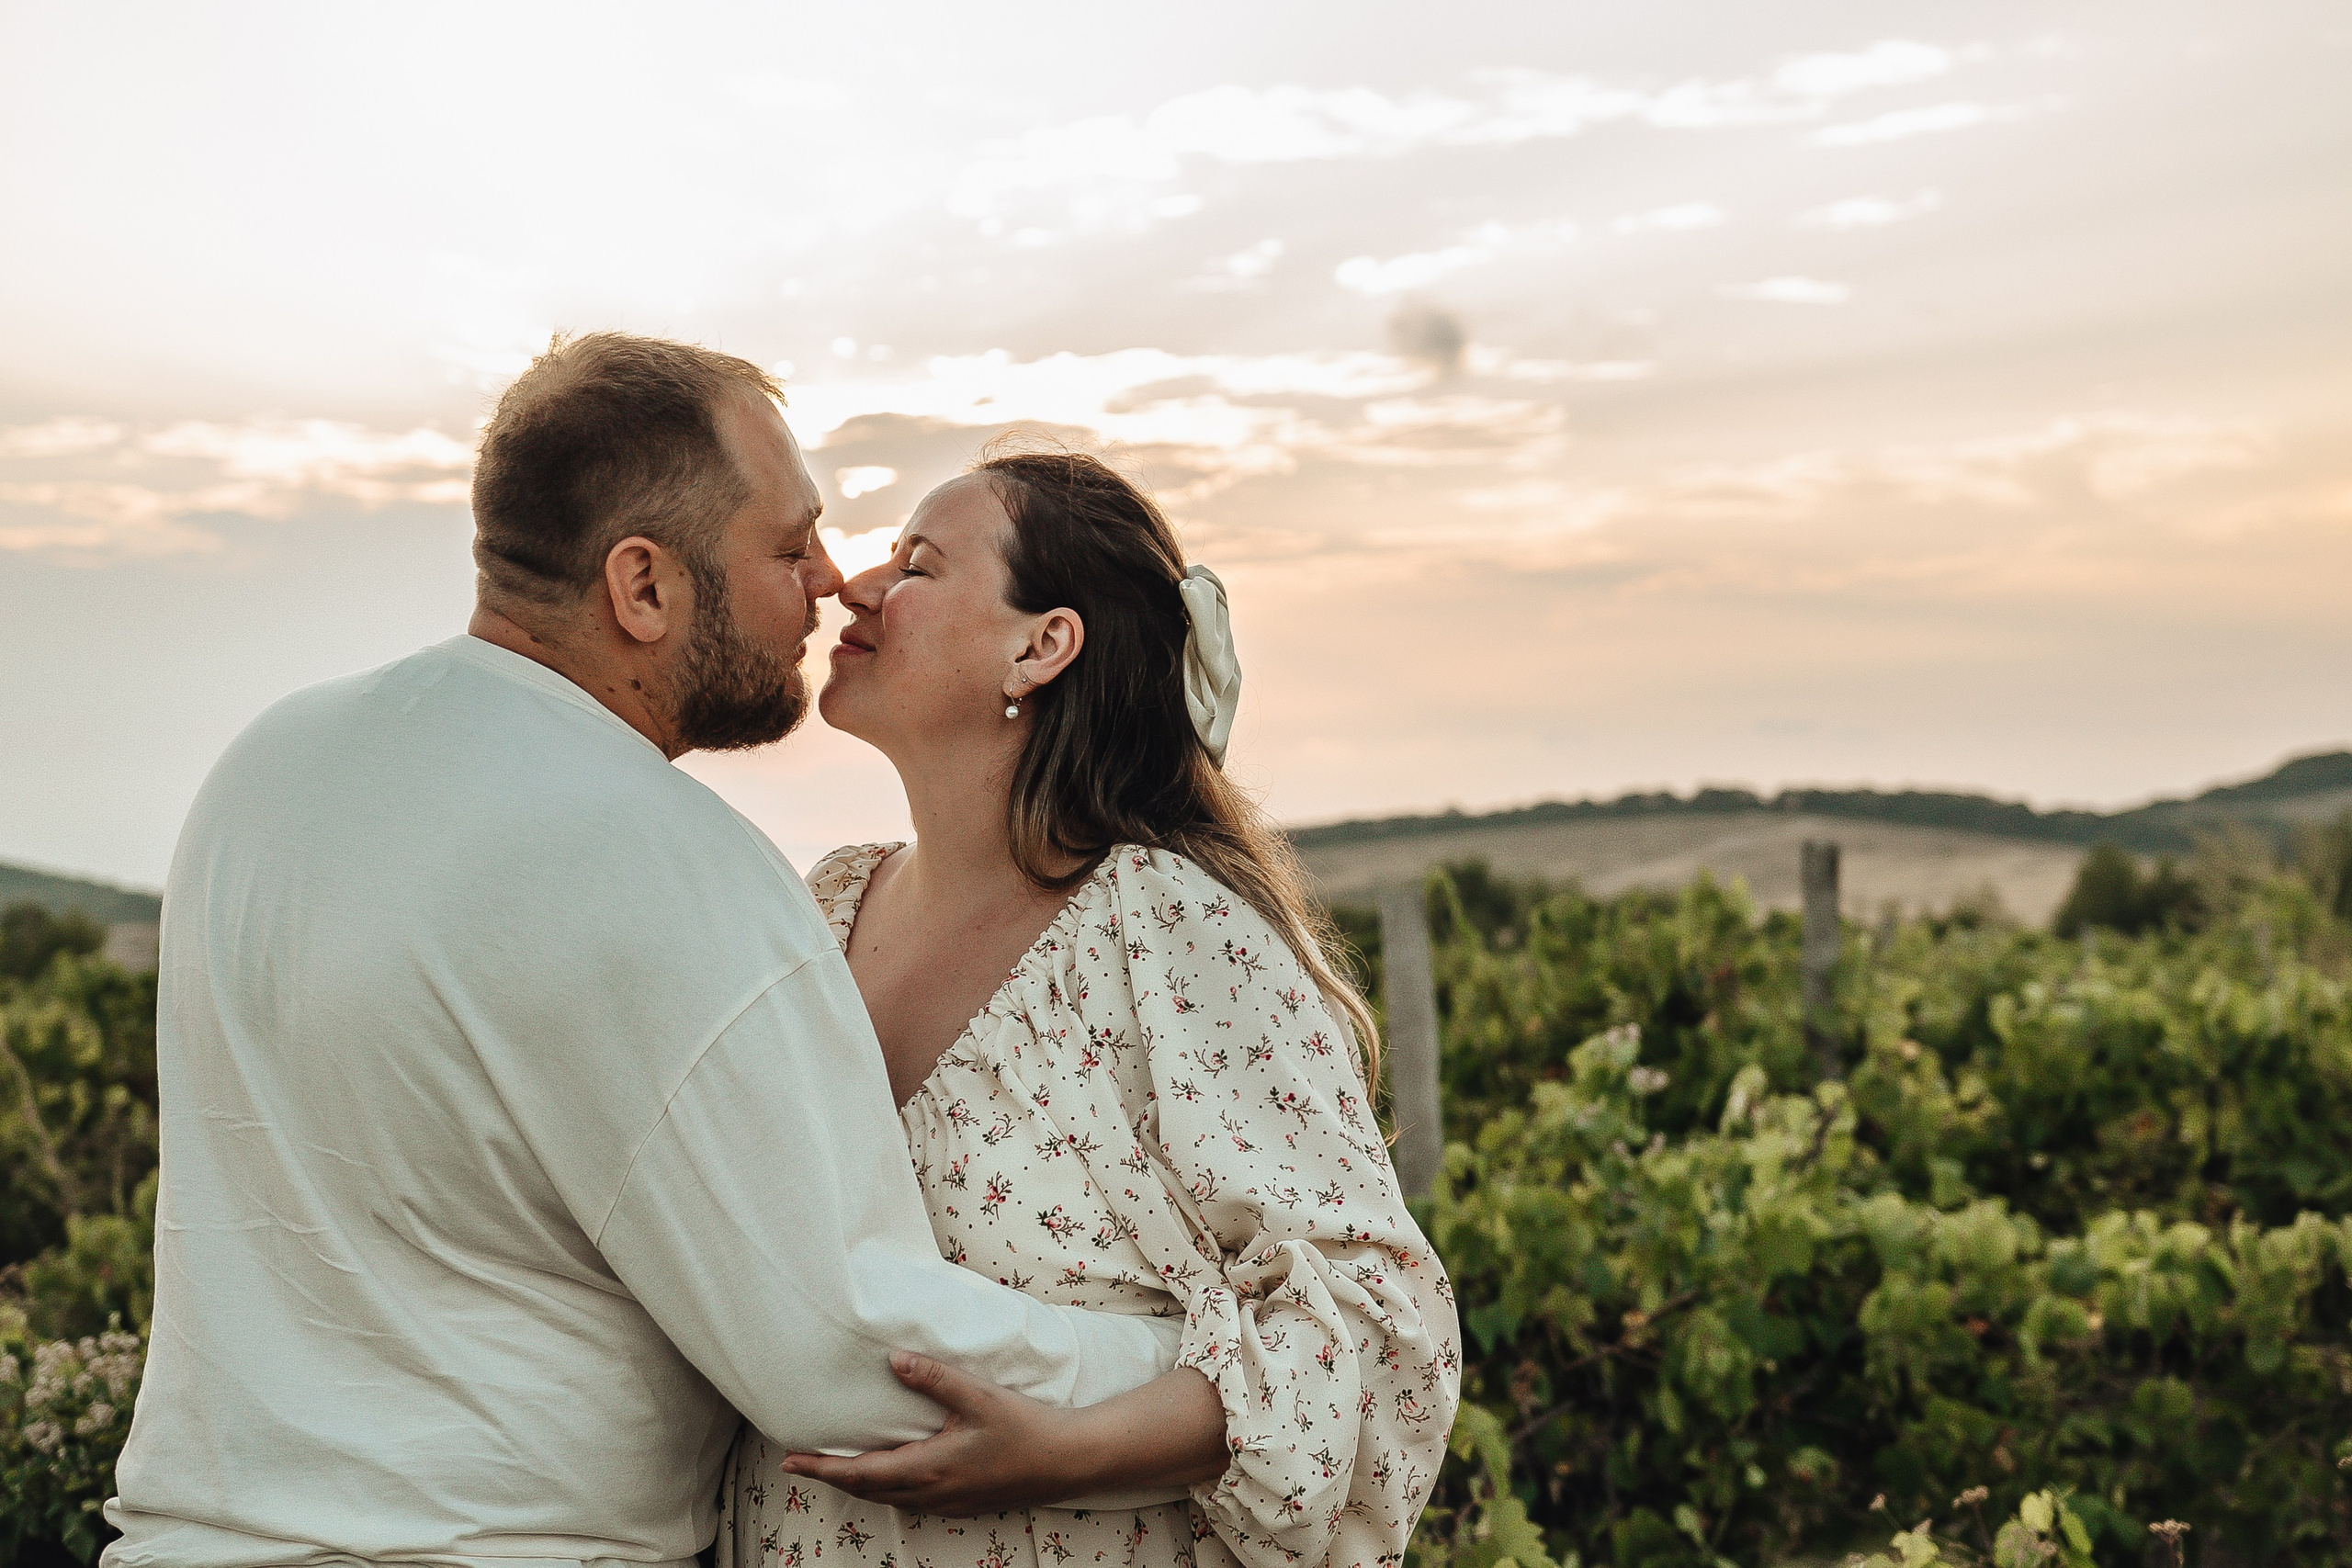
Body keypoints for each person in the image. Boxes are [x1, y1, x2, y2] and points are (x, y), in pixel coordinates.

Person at [103, 335, 1216, 1568]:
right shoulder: (673, 860)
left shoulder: (267, 768)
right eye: (790, 546)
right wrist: (1207, 1371)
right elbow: (850, 1358)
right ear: (643, 588)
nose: (831, 582)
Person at [721, 451, 1461, 1568]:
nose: (857, 588)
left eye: (917, 565)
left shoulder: (1166, 929)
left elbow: (1379, 1331)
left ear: (1041, 644)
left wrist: (1067, 1449)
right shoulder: (820, 907)